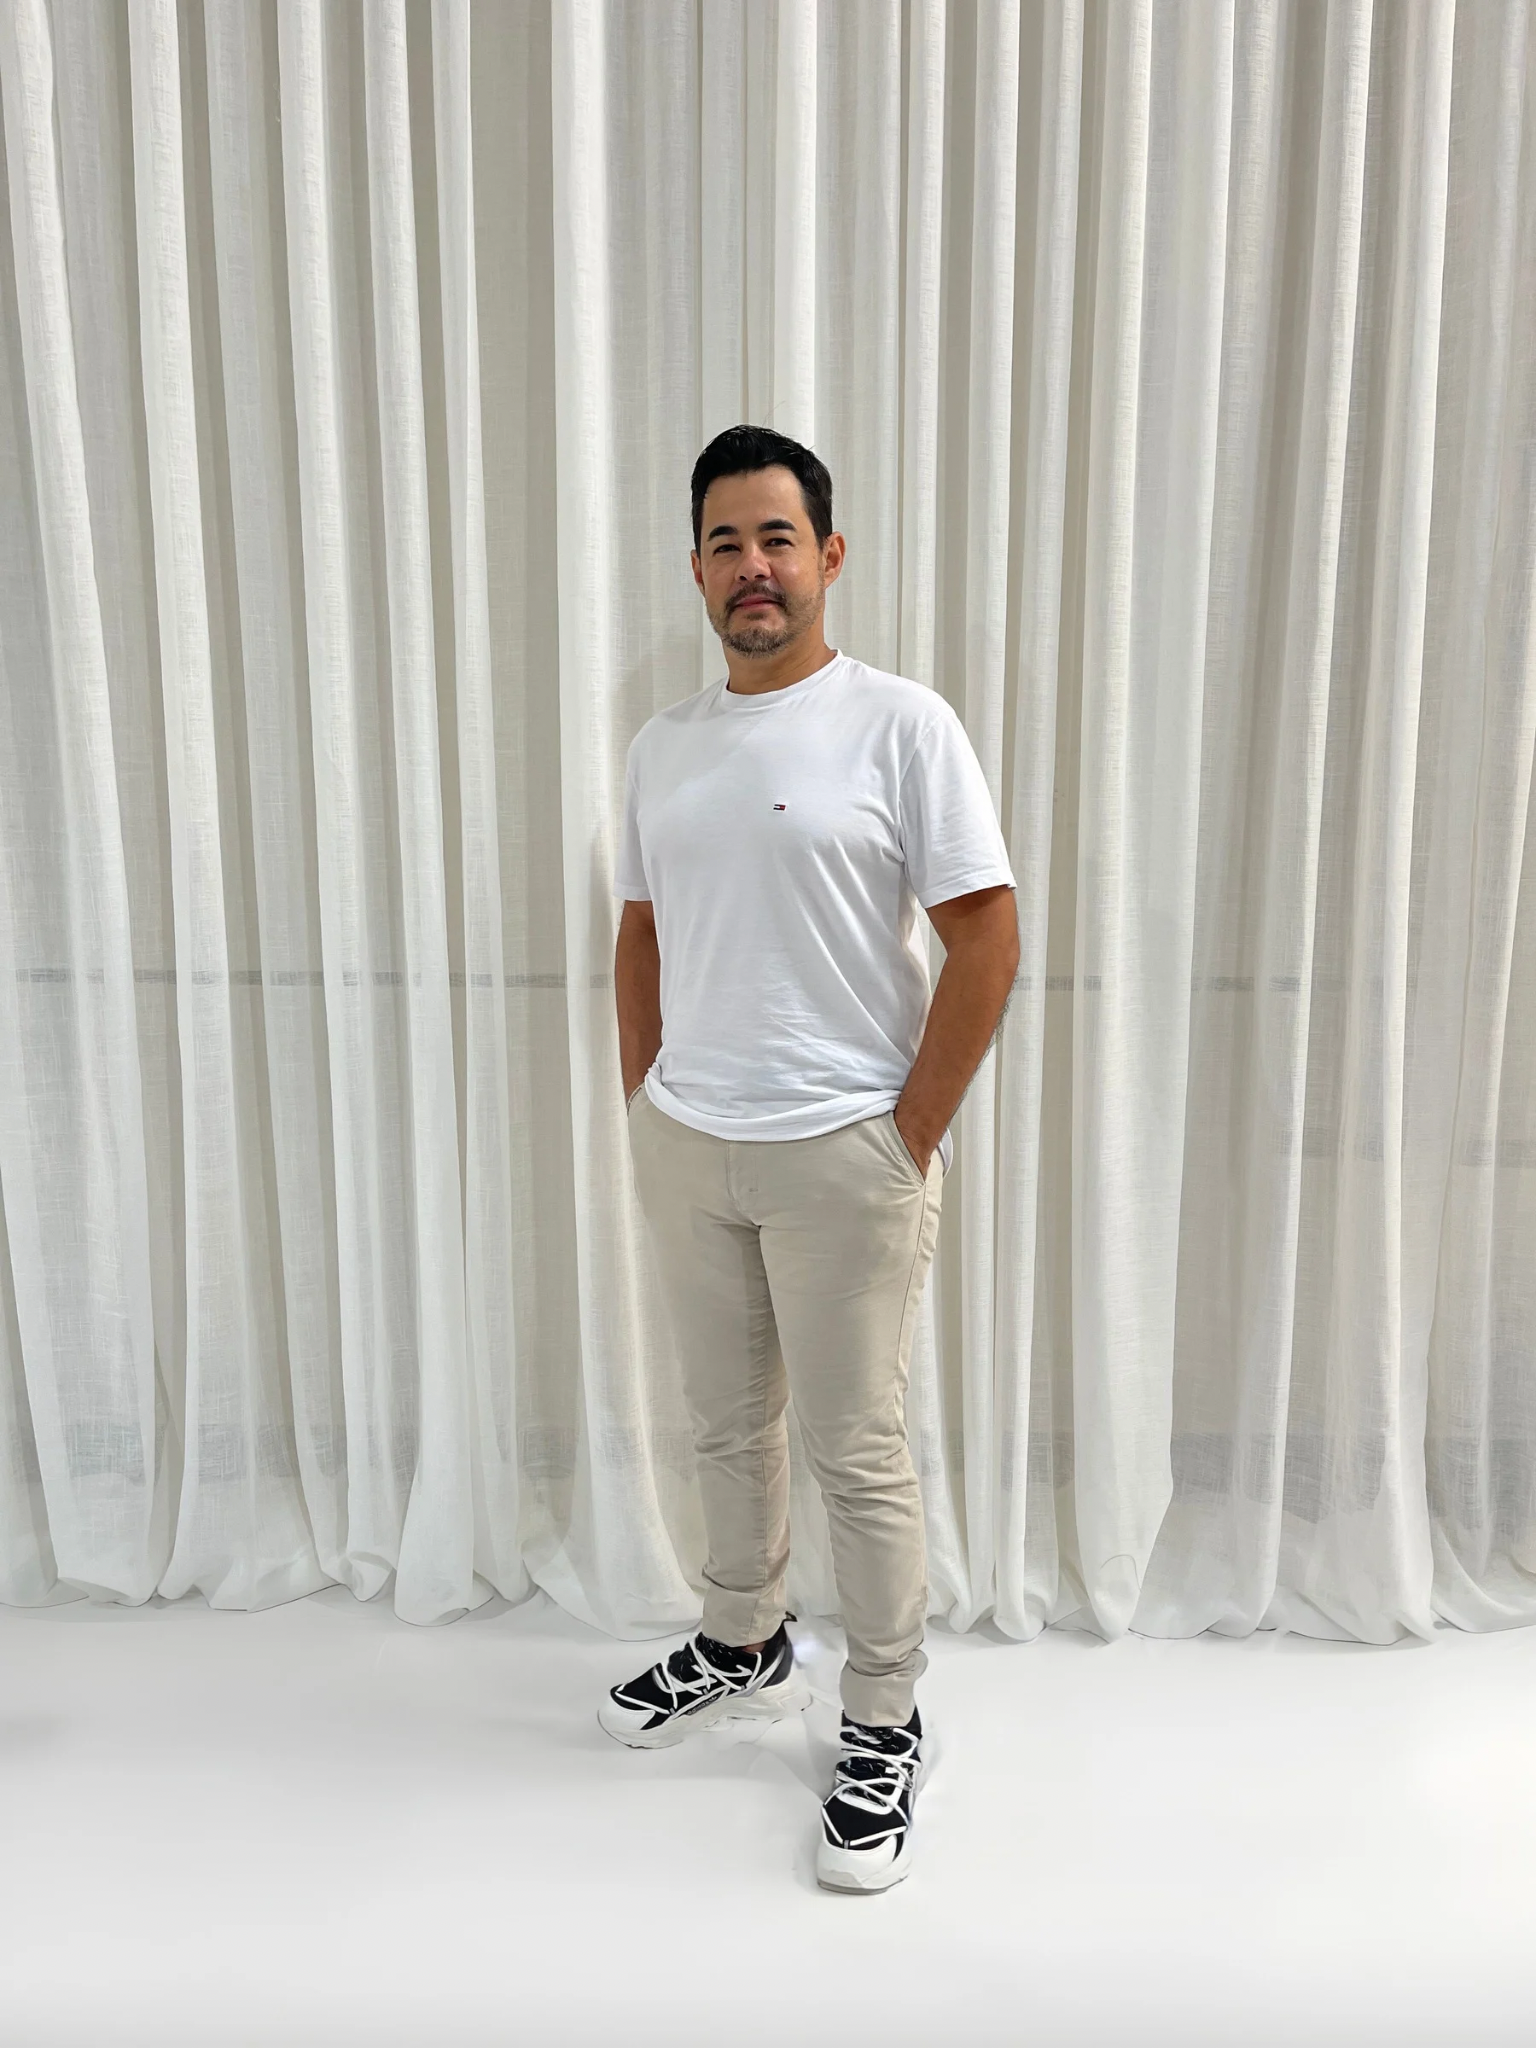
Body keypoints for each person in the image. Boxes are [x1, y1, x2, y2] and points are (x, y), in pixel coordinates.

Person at [601, 425, 1019, 1893]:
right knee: (724, 1425)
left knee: (857, 1449)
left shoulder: (901, 725)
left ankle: (886, 1714)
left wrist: (909, 1134)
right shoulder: (663, 745)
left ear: (828, 557)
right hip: (693, 1142)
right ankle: (743, 1635)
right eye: (725, 542)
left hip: (845, 1148)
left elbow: (985, 935)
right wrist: (645, 1100)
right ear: (697, 570)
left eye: (778, 538)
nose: (753, 567)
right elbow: (641, 930)